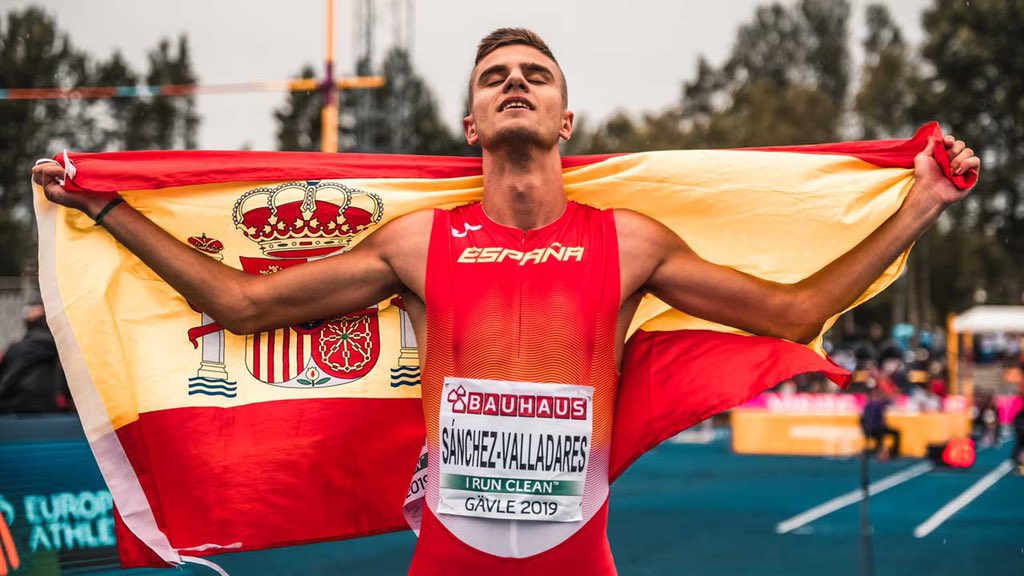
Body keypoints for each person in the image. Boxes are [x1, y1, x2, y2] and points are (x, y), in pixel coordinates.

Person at [33, 27, 980, 576]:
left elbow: (792, 310)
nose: (516, 83)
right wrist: (109, 204)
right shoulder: (417, 242)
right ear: (473, 123)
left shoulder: (630, 241)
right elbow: (243, 305)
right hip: (451, 554)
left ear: (565, 120)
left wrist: (924, 202)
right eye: (497, 77)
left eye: (536, 75)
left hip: (580, 554)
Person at [0, 302, 72, 413]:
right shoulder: (65, 348)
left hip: (16, 411)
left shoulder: (17, 349)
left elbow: (6, 381)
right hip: (51, 411)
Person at [861, 386, 900, 459]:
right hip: (877, 429)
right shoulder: (878, 405)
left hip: (869, 429)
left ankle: (882, 451)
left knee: (886, 434)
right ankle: (894, 453)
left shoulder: (868, 405)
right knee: (896, 433)